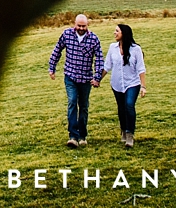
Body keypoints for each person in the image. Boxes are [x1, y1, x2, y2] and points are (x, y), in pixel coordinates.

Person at [48, 14, 103, 148]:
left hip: (85, 78)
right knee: (72, 102)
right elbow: (57, 50)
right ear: (75, 24)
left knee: (83, 106)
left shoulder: (93, 39)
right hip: (70, 76)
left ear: (87, 25)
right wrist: (52, 67)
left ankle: (82, 135)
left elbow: (99, 59)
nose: (81, 28)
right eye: (79, 25)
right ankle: (73, 136)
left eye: (84, 26)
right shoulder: (67, 34)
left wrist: (97, 77)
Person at [104, 23, 147, 147]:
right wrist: (97, 80)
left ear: (124, 33)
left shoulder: (136, 49)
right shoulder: (112, 48)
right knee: (121, 108)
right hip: (117, 84)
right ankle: (123, 130)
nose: (114, 33)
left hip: (132, 83)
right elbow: (107, 66)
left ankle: (129, 135)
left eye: (117, 31)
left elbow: (141, 68)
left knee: (129, 105)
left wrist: (143, 86)